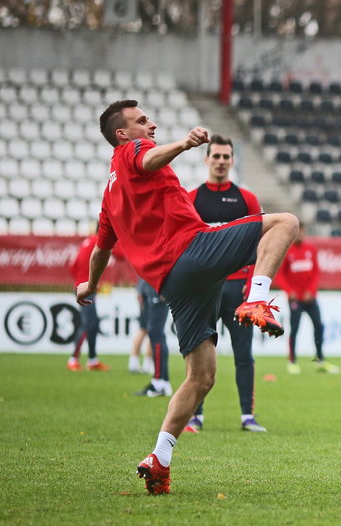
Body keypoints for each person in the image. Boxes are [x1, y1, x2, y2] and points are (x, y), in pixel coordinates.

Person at [76, 100, 298, 494]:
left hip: (173, 285)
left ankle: (159, 458)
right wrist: (182, 144)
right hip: (190, 252)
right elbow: (148, 160)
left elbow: (100, 250)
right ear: (122, 134)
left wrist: (90, 286)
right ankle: (257, 299)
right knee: (285, 222)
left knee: (201, 377)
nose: (151, 123)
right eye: (142, 121)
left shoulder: (110, 197)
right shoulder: (132, 151)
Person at [184, 134, 268, 433]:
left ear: (232, 160)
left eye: (225, 157)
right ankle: (194, 416)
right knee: (198, 355)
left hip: (237, 289)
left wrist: (253, 281)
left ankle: (247, 415)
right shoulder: (191, 199)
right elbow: (186, 244)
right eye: (215, 156)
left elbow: (262, 242)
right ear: (206, 159)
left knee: (243, 354)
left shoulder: (246, 199)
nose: (220, 162)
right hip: (205, 290)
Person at [277, 222, 339, 375]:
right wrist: (289, 291)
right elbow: (280, 275)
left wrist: (311, 291)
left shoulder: (310, 249)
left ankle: (320, 360)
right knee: (295, 329)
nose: (300, 235)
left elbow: (316, 272)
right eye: (298, 232)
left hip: (310, 298)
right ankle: (292, 361)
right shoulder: (287, 251)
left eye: (302, 232)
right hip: (295, 299)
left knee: (319, 326)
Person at [67, 232, 109, 372]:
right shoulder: (100, 242)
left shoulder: (87, 242)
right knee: (87, 324)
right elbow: (121, 255)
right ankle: (73, 359)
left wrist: (79, 281)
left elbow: (73, 266)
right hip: (87, 288)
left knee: (93, 323)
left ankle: (92, 360)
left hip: (82, 286)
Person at [133, 277, 173, 397]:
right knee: (153, 333)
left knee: (156, 334)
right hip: (149, 288)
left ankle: (160, 381)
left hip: (158, 288)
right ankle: (162, 381)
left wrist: (164, 286)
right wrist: (141, 289)